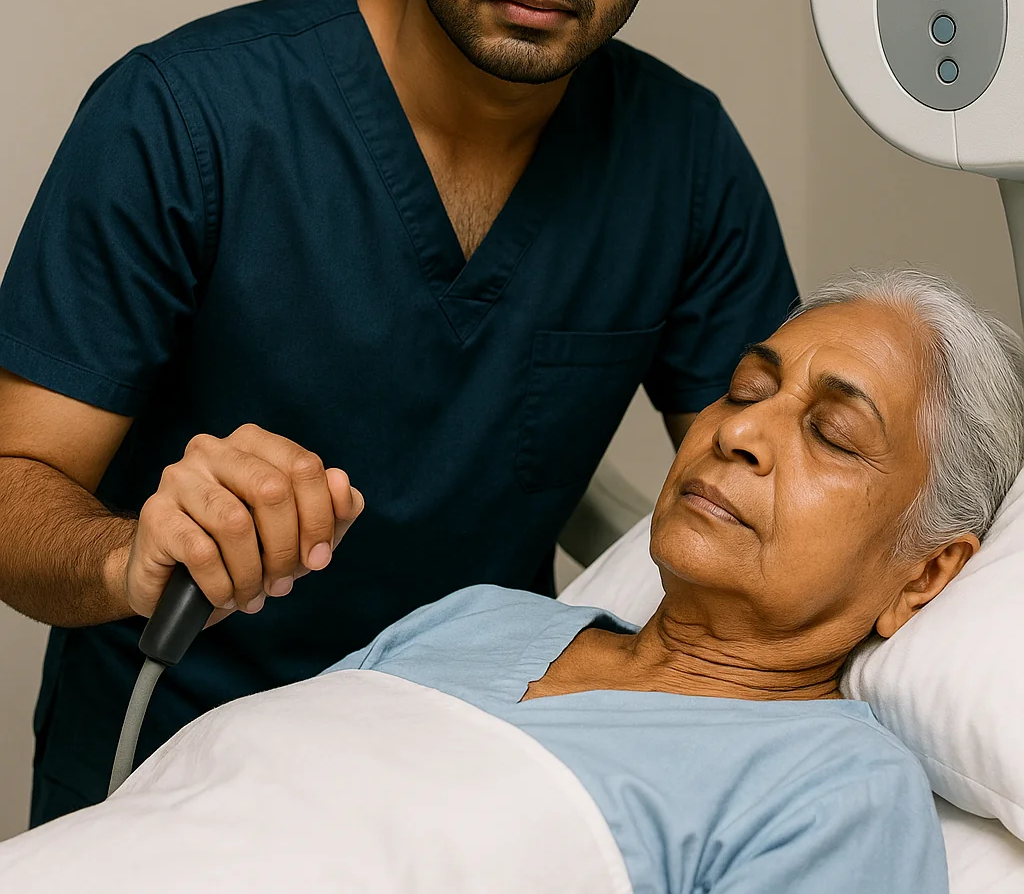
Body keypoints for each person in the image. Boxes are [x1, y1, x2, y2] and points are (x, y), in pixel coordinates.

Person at [0, 0, 797, 823]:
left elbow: (780, 488)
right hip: (166, 770)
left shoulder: (683, 165)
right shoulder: (188, 118)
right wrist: (129, 554)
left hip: (464, 776)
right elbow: (15, 488)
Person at [2, 269, 1019, 892]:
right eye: (744, 389)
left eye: (830, 432)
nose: (740, 431)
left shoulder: (831, 790)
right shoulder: (476, 621)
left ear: (927, 573)